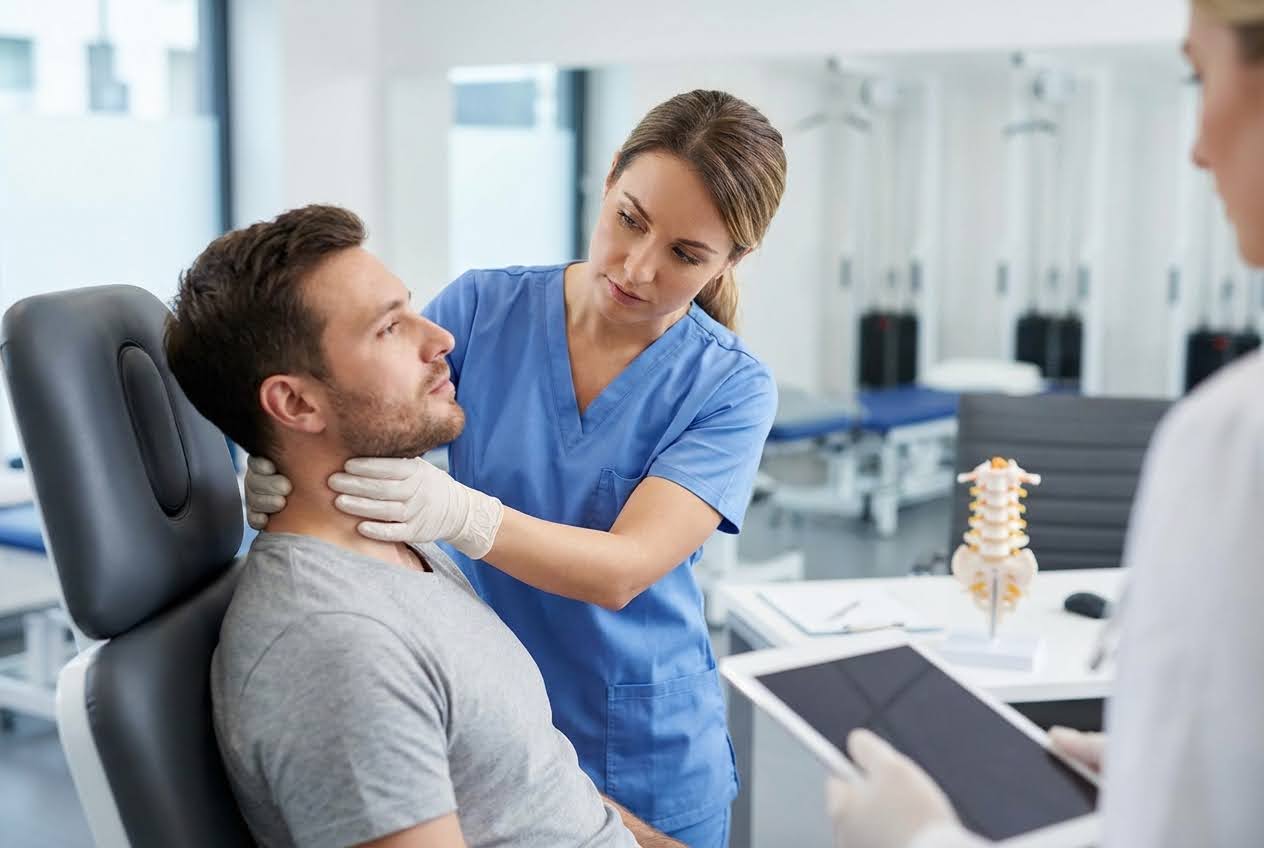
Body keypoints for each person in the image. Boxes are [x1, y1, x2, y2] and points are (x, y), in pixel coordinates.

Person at [246, 89, 788, 846]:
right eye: (629, 219)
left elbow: (624, 569)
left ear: (734, 258)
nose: (636, 265)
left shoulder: (729, 386)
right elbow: (379, 403)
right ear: (607, 182)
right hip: (492, 734)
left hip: (640, 748)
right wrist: (277, 453)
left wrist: (464, 514)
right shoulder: (482, 308)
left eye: (685, 255)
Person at [827, 2, 1264, 846]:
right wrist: (1158, 775)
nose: (1197, 148)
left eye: (1199, 78)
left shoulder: (1234, 438)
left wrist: (919, 838)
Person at [164, 204, 682, 848]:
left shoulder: (405, 544)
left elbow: (534, 794)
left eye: (409, 306)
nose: (441, 338)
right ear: (295, 402)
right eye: (389, 328)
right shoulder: (337, 646)